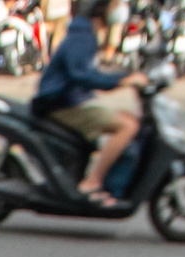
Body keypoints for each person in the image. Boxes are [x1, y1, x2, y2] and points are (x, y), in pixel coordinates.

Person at [31, 0, 148, 206]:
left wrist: (125, 77)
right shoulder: (82, 37)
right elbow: (82, 75)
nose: (118, 11)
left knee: (126, 118)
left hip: (73, 98)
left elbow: (89, 74)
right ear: (99, 9)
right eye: (113, 6)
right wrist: (121, 81)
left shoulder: (85, 34)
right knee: (127, 126)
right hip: (62, 102)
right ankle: (92, 182)